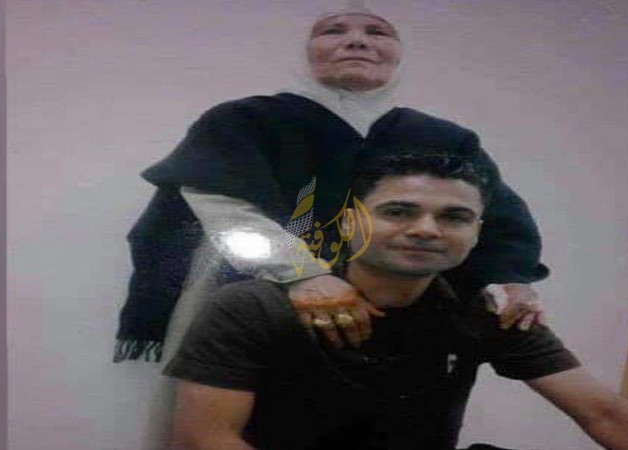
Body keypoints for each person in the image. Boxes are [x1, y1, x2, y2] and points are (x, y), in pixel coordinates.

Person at [118, 8, 549, 450]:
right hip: (245, 291)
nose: (358, 40)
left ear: (400, 53)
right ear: (302, 50)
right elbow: (227, 213)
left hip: (396, 310)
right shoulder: (244, 120)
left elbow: (491, 216)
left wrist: (509, 281)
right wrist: (302, 273)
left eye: (378, 32)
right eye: (333, 30)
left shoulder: (444, 138)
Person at [163, 149, 628, 450]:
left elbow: (606, 413)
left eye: (454, 217)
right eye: (398, 211)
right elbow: (204, 440)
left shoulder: (486, 311)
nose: (426, 229)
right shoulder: (253, 307)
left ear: (476, 233)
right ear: (350, 222)